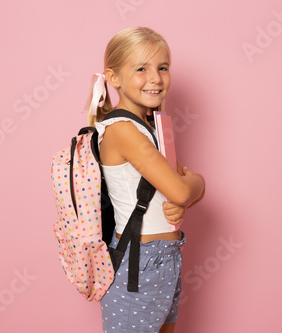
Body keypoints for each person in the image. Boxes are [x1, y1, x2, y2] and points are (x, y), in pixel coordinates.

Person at [86, 27, 205, 333]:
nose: (156, 77)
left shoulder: (152, 127)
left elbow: (176, 193)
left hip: (166, 257)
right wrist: (196, 186)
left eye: (163, 67)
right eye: (141, 68)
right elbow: (182, 187)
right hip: (138, 263)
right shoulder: (122, 130)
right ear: (113, 78)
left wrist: (183, 200)